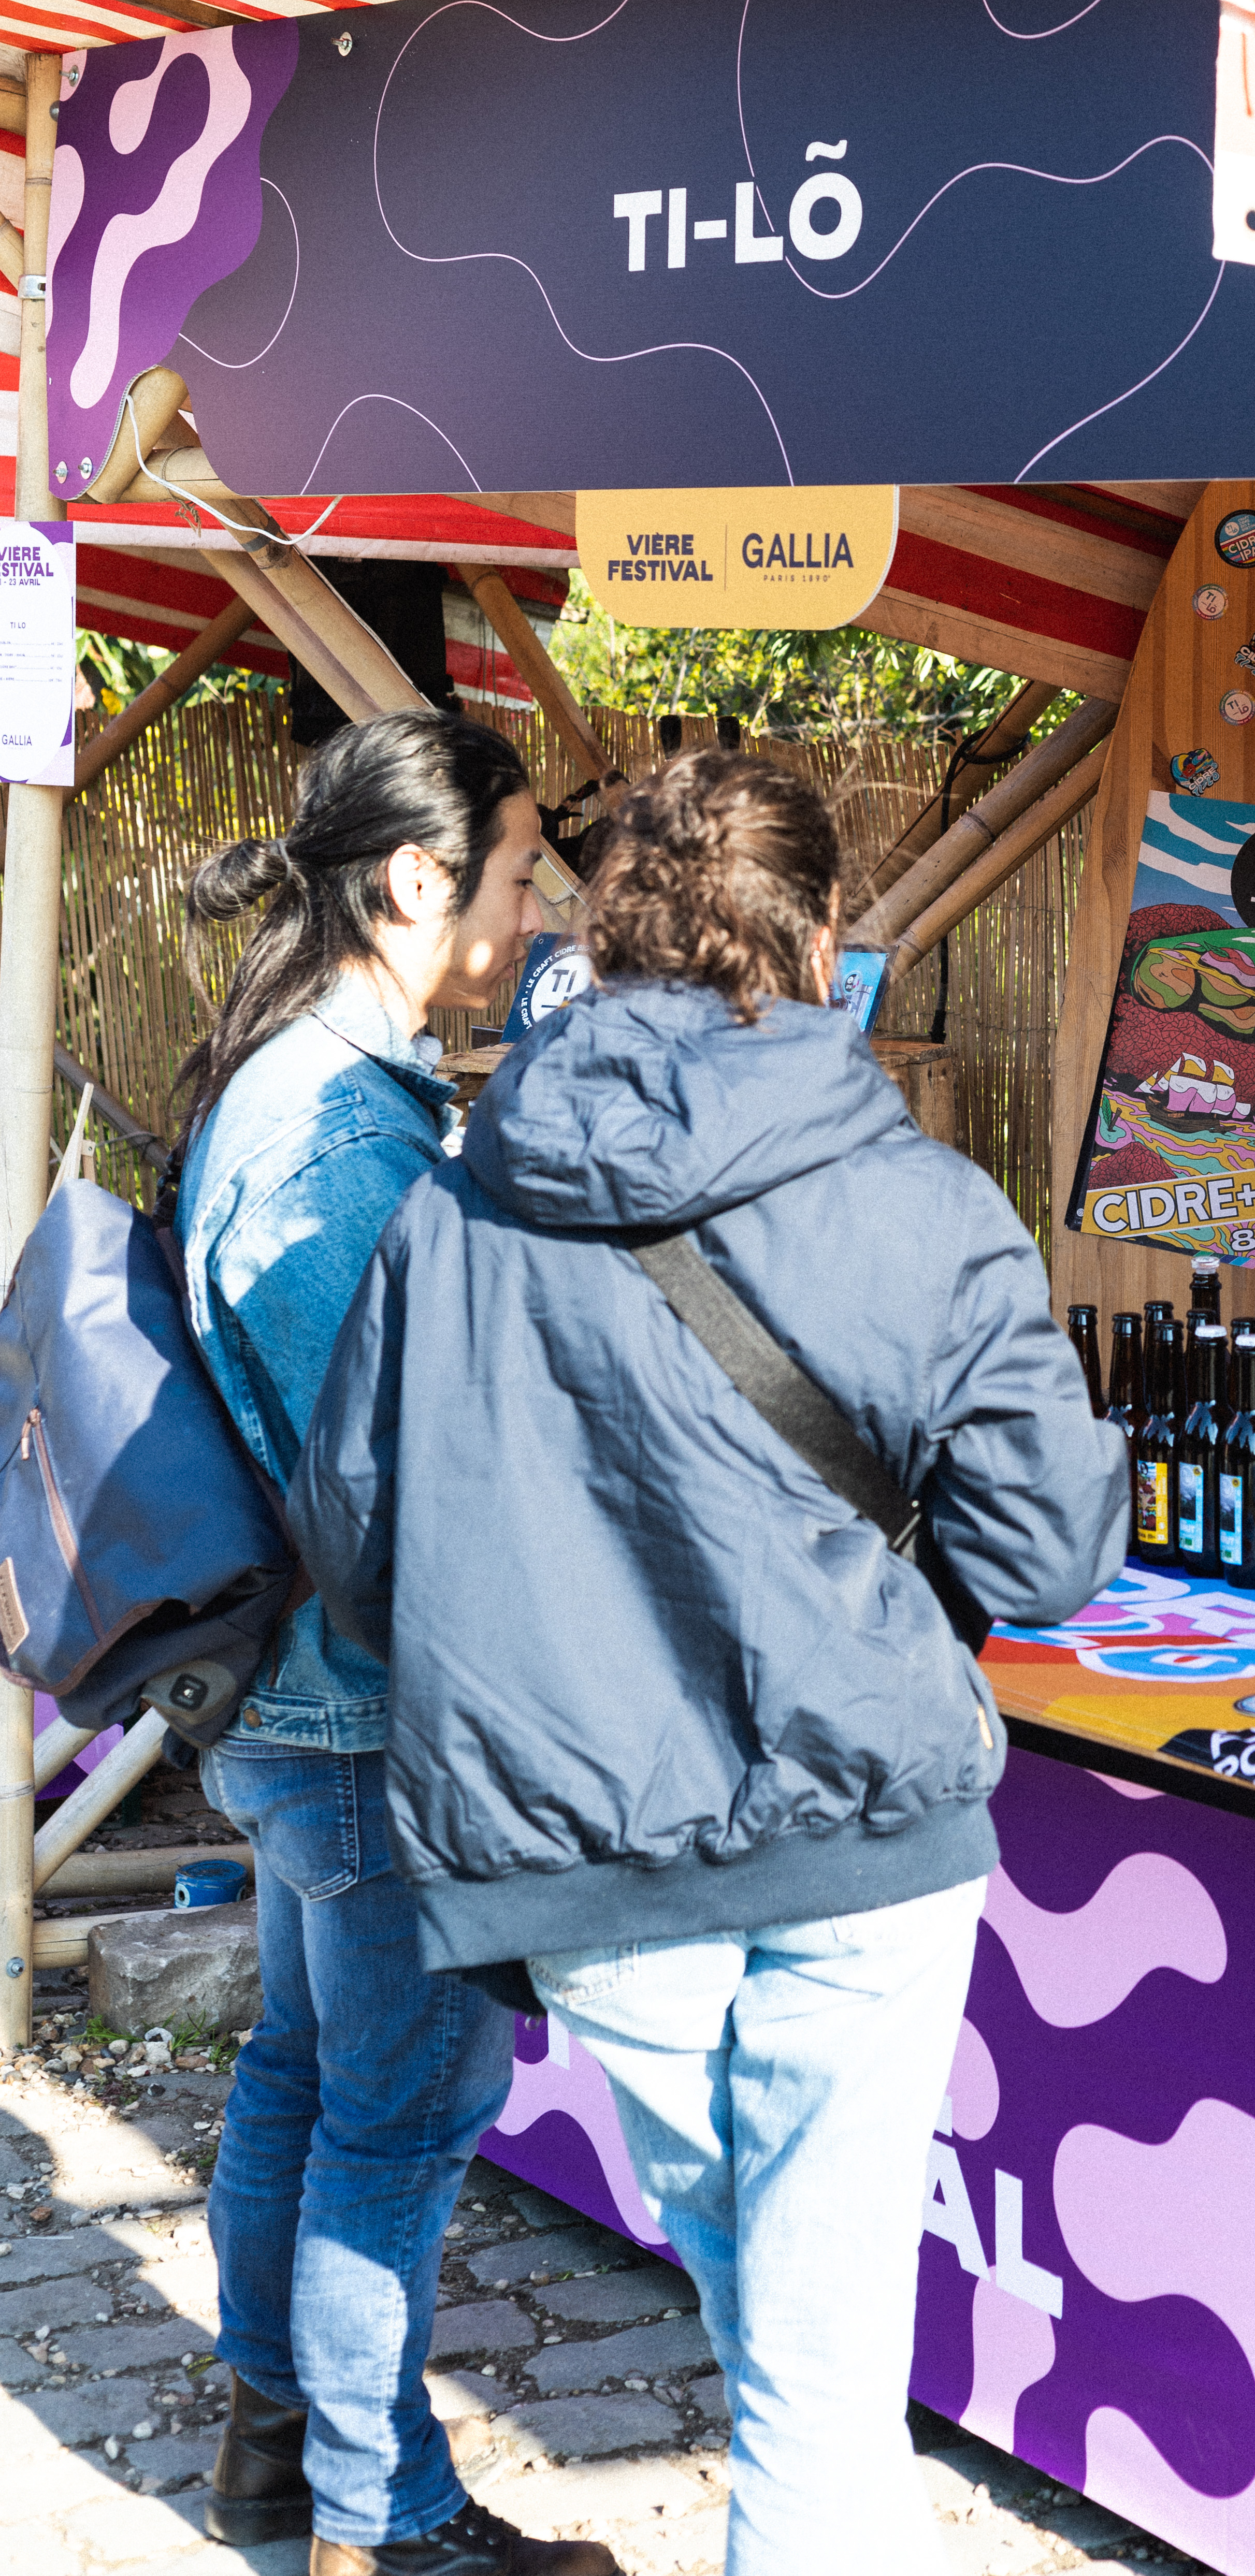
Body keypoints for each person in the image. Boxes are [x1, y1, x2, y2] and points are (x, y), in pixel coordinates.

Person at [288, 749, 1129, 2576]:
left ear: (610, 933)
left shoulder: (453, 1201)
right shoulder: (924, 1207)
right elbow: (1048, 1552)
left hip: (586, 1871)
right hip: (864, 1839)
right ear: (824, 934)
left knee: (788, 2334)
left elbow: (353, 1551)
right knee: (816, 2381)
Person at [174, 714, 607, 2576]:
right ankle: (392, 2523)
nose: (530, 914)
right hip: (367, 1717)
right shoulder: (336, 1136)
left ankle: (282, 2457)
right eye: (515, 875)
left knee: (300, 2071)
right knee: (399, 2126)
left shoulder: (312, 1088)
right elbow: (419, 1458)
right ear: (417, 882)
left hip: (296, 1698)